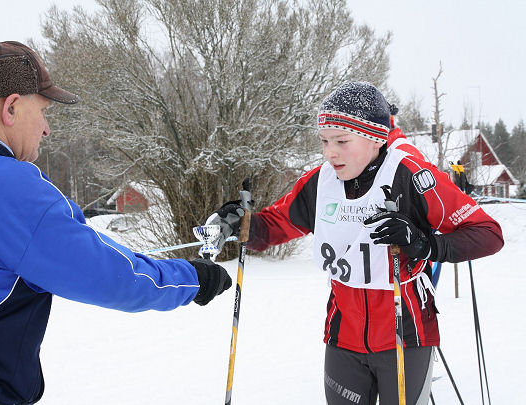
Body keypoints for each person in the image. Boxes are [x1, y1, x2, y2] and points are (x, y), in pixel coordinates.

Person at [0, 41, 232, 405]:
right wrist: (193, 279)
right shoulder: (16, 190)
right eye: (44, 111)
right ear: (12, 107)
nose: (47, 129)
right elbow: (111, 277)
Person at [207, 82, 504, 405]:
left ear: (376, 138)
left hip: (406, 334)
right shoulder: (320, 181)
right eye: (324, 141)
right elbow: (277, 226)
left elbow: (488, 233)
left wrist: (424, 245)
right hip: (343, 336)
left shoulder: (411, 176)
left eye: (341, 141)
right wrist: (242, 223)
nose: (329, 152)